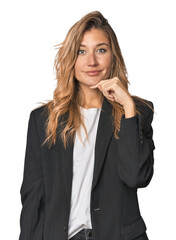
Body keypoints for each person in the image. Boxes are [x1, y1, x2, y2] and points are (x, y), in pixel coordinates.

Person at [19, 10, 155, 240]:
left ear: (113, 56)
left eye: (101, 50)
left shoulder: (138, 112)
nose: (91, 61)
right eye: (81, 51)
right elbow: (33, 198)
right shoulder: (43, 119)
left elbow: (136, 177)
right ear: (71, 58)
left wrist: (128, 109)